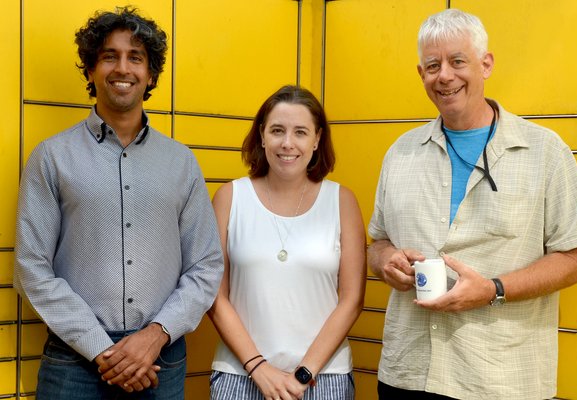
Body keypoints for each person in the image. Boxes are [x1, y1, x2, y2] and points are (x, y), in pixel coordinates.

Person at [368, 8, 577, 400]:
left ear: (486, 64)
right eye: (432, 65)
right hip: (408, 374)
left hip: (502, 381)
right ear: (420, 73)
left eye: (458, 61)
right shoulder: (400, 153)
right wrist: (386, 261)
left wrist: (494, 289)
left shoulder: (545, 152)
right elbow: (377, 243)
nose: (445, 75)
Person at [13, 7, 223, 399]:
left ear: (151, 74)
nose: (122, 68)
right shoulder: (52, 157)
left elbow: (206, 264)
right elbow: (31, 269)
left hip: (159, 358)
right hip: (73, 363)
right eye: (109, 56)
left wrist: (154, 336)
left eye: (135, 57)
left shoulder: (182, 162)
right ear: (91, 70)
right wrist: (102, 349)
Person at [208, 85, 366, 400]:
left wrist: (305, 372)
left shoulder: (342, 200)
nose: (287, 143)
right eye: (277, 130)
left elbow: (352, 300)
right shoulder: (230, 197)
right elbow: (214, 296)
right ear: (262, 136)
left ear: (317, 139)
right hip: (240, 374)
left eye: (301, 132)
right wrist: (258, 367)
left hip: (323, 378)